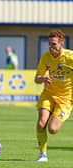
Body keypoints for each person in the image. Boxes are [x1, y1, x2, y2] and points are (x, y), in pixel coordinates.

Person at [35, 30, 73, 162]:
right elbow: (37, 78)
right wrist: (43, 78)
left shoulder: (70, 57)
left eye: (54, 44)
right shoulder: (45, 57)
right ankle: (43, 154)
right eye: (49, 44)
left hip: (65, 99)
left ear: (61, 43)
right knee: (41, 124)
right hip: (49, 95)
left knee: (52, 129)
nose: (51, 48)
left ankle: (54, 116)